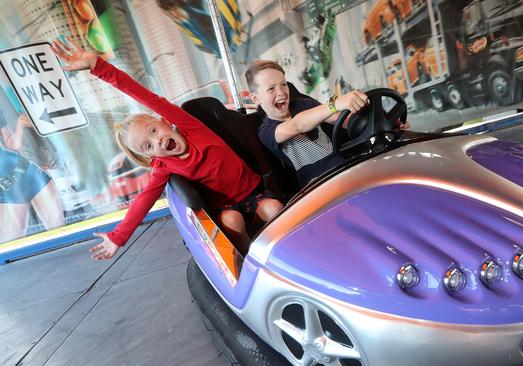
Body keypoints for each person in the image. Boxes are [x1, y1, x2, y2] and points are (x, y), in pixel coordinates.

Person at [51, 37, 283, 260]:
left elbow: (139, 93)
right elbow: (143, 200)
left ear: (164, 122)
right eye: (149, 145)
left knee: (273, 209)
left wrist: (97, 66)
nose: (158, 140)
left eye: (154, 131)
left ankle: (282, 249)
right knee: (233, 221)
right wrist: (117, 237)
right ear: (151, 156)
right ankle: (247, 257)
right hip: (226, 208)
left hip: (257, 194)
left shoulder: (189, 126)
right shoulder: (164, 166)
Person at [246, 60, 409, 187]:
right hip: (315, 184)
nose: (281, 92)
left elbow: (343, 120)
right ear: (256, 99)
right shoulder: (266, 131)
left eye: (283, 84)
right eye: (271, 89)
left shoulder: (304, 104)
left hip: (343, 166)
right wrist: (334, 103)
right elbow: (298, 125)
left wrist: (383, 122)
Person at [0, 112, 64, 243]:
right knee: (13, 248)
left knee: (62, 235)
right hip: (7, 189)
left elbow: (13, 148)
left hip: (29, 172)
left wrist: (20, 127)